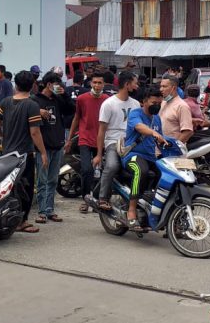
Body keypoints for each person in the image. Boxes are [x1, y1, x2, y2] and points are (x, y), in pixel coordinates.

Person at [0, 71, 47, 233]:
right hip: (24, 155)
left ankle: (8, 217)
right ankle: (21, 221)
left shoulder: (6, 101)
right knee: (25, 188)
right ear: (32, 86)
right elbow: (35, 133)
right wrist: (43, 152)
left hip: (7, 153)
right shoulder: (31, 105)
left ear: (16, 85)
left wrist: (2, 135)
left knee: (9, 187)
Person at [120, 86, 169, 230]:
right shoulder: (136, 114)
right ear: (145, 101)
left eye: (159, 103)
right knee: (141, 170)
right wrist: (153, 133)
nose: (157, 106)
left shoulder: (157, 119)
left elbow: (161, 138)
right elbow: (140, 127)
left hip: (151, 157)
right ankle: (131, 211)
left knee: (167, 176)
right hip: (133, 156)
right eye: (154, 103)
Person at [92, 71, 139, 212]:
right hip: (113, 143)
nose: (136, 86)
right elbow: (101, 131)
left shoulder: (136, 104)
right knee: (112, 166)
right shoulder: (109, 104)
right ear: (127, 84)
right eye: (135, 83)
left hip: (132, 144)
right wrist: (99, 154)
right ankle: (102, 198)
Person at [31, 71, 74, 223]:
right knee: (42, 180)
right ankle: (42, 211)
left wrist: (65, 95)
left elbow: (71, 110)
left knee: (53, 180)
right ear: (48, 84)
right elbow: (27, 116)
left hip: (57, 145)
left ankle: (50, 210)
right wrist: (38, 111)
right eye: (57, 84)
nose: (59, 86)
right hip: (43, 146)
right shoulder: (35, 101)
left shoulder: (58, 99)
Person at [66, 71, 109, 210]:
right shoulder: (82, 99)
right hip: (84, 138)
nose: (97, 85)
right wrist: (69, 139)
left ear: (104, 84)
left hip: (101, 140)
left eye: (99, 83)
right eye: (95, 82)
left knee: (104, 171)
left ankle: (97, 198)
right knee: (86, 169)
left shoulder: (107, 100)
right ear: (90, 83)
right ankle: (86, 199)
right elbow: (77, 118)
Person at [158, 75, 193, 144]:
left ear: (173, 88)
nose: (161, 89)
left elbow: (187, 132)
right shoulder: (163, 102)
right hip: (160, 149)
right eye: (161, 86)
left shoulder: (182, 106)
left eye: (164, 86)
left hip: (172, 152)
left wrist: (174, 146)